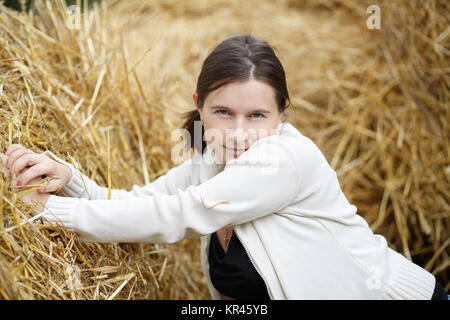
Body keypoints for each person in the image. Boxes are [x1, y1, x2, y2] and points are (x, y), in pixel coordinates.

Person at [1, 34, 448, 300]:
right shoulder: (210, 160)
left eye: (257, 116)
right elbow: (143, 201)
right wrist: (68, 180)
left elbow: (178, 215)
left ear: (283, 112)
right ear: (199, 106)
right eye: (222, 113)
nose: (237, 134)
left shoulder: (285, 160)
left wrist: (41, 214)